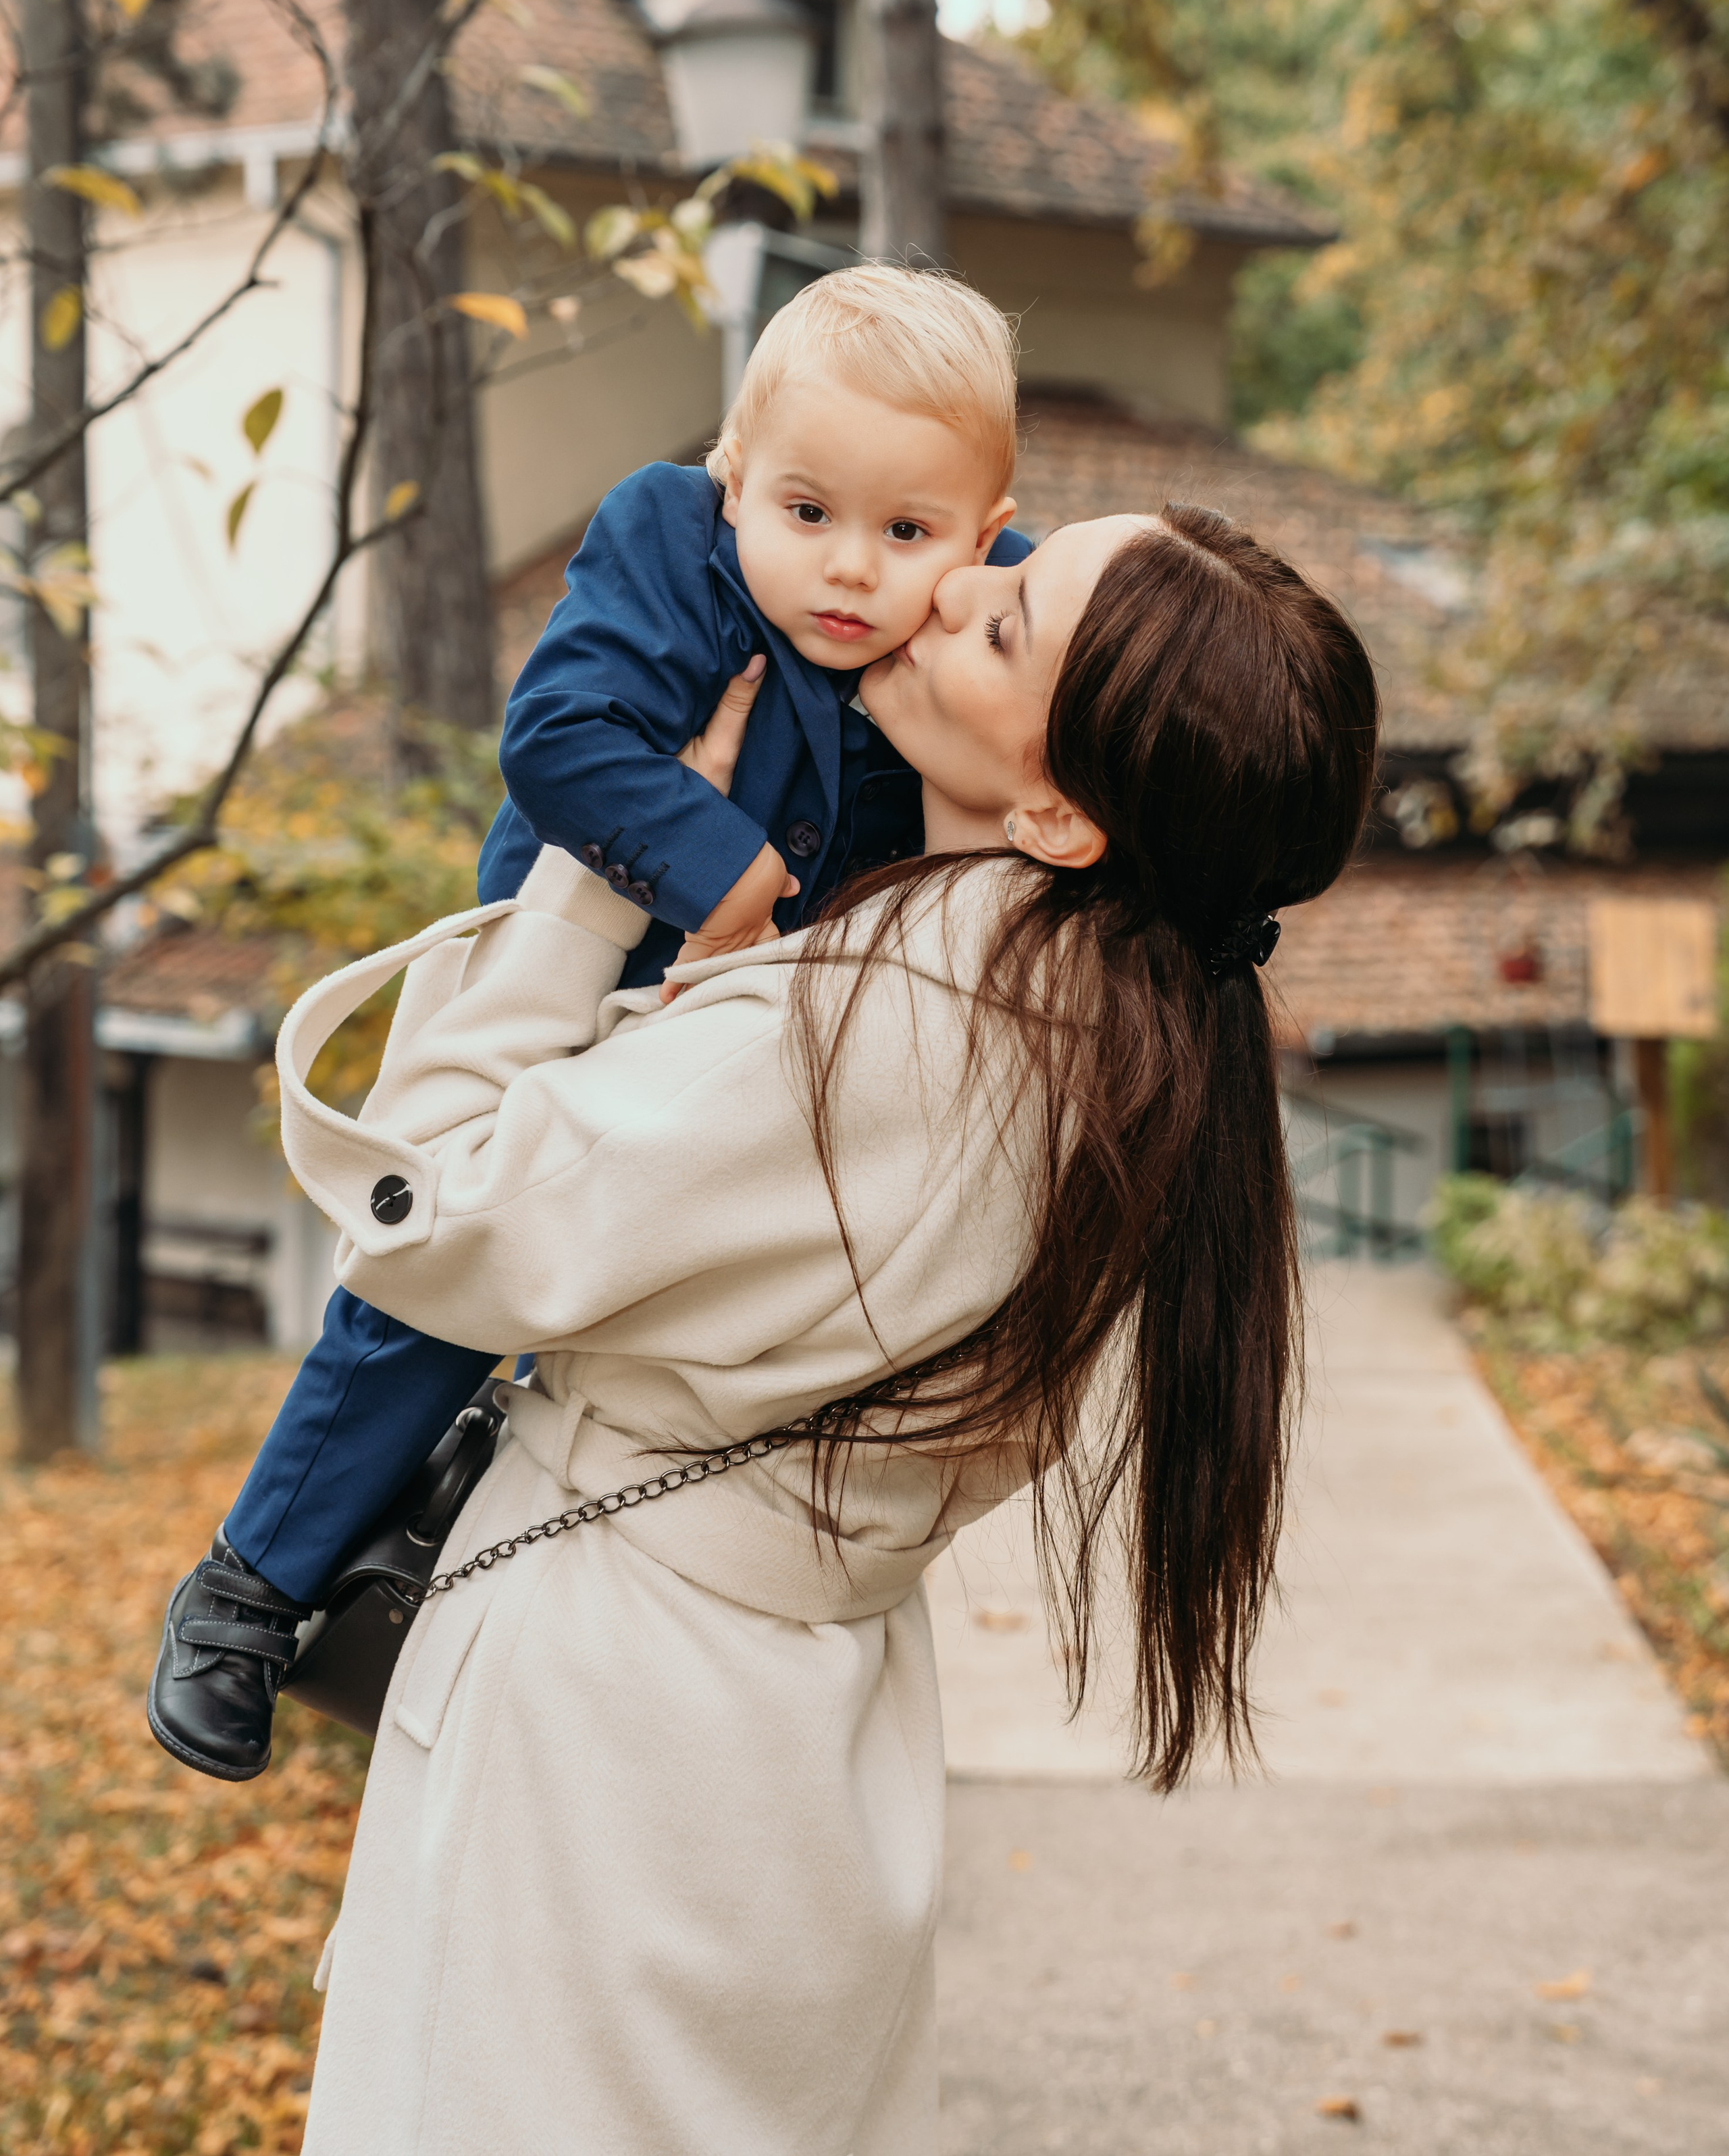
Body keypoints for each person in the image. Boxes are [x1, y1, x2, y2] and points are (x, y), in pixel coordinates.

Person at [269, 500, 1380, 2155]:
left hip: (612, 1726)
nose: (945, 589)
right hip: (808, 1740)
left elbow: (433, 1212)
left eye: (1004, 620)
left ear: (1060, 809)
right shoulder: (1125, 1062)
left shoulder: (872, 1031)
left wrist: (587, 876)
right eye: (1010, 560)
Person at [149, 265, 1030, 1782]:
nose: (847, 571)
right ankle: (253, 1579)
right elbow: (557, 734)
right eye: (805, 512)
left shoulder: (964, 630)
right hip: (585, 935)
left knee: (631, 1286)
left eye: (907, 533)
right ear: (732, 475)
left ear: (978, 531)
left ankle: (460, 1541)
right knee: (450, 1264)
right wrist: (722, 872)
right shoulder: (665, 541)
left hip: (752, 1013)